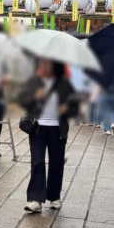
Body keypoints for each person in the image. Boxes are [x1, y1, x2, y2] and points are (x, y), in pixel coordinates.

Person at [19, 60, 78, 214]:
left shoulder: (64, 83)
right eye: (42, 63)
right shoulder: (34, 82)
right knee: (37, 162)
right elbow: (23, 101)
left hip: (58, 129)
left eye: (47, 63)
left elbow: (75, 106)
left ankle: (54, 196)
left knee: (56, 163)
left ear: (55, 65)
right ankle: (35, 199)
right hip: (38, 127)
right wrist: (34, 97)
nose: (43, 66)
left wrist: (67, 108)